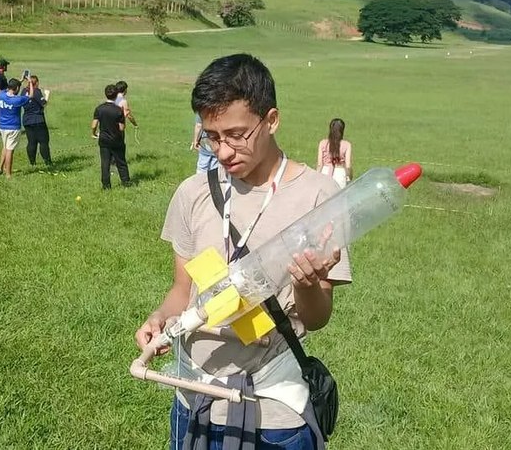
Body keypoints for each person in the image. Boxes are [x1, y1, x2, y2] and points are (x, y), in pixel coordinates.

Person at [135, 54, 351, 449]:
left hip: (273, 412)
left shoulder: (318, 197)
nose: (222, 151)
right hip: (192, 399)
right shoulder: (194, 193)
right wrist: (160, 318)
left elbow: (317, 318)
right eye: (211, 136)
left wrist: (305, 285)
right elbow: (183, 291)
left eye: (236, 134)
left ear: (271, 121)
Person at [92, 84, 130, 189]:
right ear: (116, 95)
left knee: (105, 163)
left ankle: (106, 185)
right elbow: (122, 128)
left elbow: (94, 124)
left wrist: (94, 133)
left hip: (104, 140)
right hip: (116, 139)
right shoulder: (118, 110)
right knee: (121, 162)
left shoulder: (99, 109)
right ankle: (126, 182)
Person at [0, 77, 33, 178]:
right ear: (16, 88)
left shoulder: (1, 95)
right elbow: (31, 95)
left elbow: (8, 89)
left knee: (5, 146)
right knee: (10, 150)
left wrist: (19, 81)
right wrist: (30, 82)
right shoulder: (17, 99)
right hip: (13, 127)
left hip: (2, 125)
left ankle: (0, 167)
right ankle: (8, 174)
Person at [22, 75, 52, 168]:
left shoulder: (23, 91)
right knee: (43, 141)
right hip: (38, 120)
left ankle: (32, 162)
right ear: (37, 83)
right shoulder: (37, 91)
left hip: (27, 119)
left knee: (31, 142)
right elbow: (43, 104)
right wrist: (47, 95)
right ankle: (48, 162)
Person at [316, 117, 353, 189]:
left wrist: (316, 177)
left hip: (325, 172)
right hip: (340, 173)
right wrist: (349, 176)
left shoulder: (323, 143)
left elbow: (320, 164)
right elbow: (348, 166)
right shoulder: (347, 144)